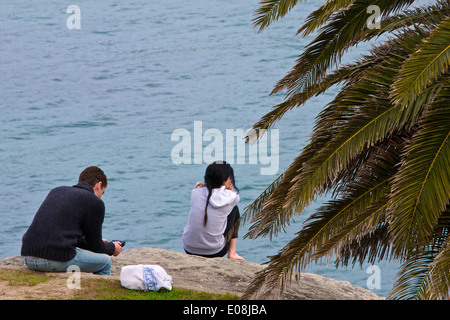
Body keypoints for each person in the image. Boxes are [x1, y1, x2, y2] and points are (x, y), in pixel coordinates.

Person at [21, 166, 122, 275]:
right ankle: (99, 292)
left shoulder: (57, 191)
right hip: (52, 259)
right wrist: (112, 248)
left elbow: (69, 238)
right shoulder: (95, 202)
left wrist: (100, 243)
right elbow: (96, 246)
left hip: (28, 257)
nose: (101, 197)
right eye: (103, 192)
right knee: (105, 262)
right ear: (99, 185)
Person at [182, 161, 245, 260]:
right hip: (215, 251)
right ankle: (232, 253)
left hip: (189, 248)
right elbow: (223, 199)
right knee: (234, 209)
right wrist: (229, 191)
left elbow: (210, 197)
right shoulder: (232, 197)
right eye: (229, 178)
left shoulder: (195, 192)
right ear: (224, 180)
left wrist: (203, 187)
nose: (230, 181)